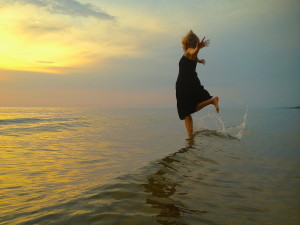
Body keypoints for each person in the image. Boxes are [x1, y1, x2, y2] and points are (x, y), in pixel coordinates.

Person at [176, 30, 219, 139]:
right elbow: (194, 56)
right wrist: (200, 60)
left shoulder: (189, 51)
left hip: (184, 84)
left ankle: (211, 101)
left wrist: (197, 49)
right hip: (191, 82)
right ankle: (190, 139)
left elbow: (192, 52)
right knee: (187, 112)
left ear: (188, 42)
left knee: (185, 111)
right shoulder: (193, 56)